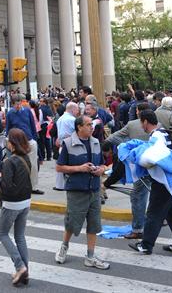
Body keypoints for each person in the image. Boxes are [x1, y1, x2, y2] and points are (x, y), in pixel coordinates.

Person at [54, 115, 110, 270]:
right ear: (79, 127)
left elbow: (103, 165)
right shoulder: (68, 143)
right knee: (72, 222)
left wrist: (101, 170)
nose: (91, 127)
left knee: (94, 223)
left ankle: (90, 256)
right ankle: (64, 247)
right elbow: (59, 167)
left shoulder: (96, 142)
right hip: (76, 190)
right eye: (88, 124)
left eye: (92, 124)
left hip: (94, 189)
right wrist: (79, 168)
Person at [129, 110, 172, 255]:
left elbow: (151, 160)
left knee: (154, 212)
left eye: (140, 121)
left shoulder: (156, 137)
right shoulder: (164, 133)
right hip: (170, 179)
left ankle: (146, 245)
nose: (140, 124)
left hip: (162, 180)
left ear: (145, 122)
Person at [105, 111, 151, 240]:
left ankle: (138, 230)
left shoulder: (132, 126)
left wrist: (126, 144)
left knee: (137, 197)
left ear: (144, 121)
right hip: (158, 168)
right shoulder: (160, 128)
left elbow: (112, 137)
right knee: (159, 197)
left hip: (142, 169)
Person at [0, 128, 33, 286]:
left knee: (2, 234)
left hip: (12, 203)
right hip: (26, 201)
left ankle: (19, 266)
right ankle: (24, 270)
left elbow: (8, 187)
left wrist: (0, 177)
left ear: (12, 143)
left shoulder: (9, 161)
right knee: (20, 236)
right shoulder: (26, 158)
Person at [6, 94, 43, 195]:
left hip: (30, 140)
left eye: (19, 104)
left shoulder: (27, 111)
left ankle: (33, 187)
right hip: (17, 142)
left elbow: (32, 126)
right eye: (16, 105)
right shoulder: (10, 114)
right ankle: (22, 186)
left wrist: (35, 140)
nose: (18, 106)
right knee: (20, 165)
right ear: (12, 104)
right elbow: (8, 129)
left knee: (33, 165)